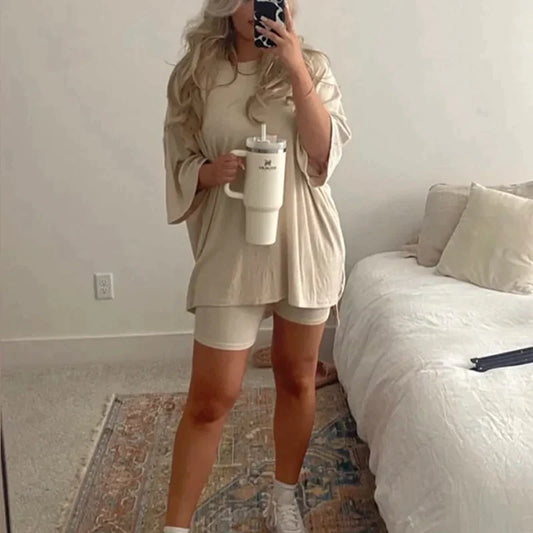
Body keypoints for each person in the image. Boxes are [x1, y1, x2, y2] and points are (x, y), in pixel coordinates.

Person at [162, 0, 351, 531]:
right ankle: (175, 527)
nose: (257, 5)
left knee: (297, 379)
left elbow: (323, 155)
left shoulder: (311, 65)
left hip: (304, 240)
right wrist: (207, 172)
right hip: (231, 245)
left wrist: (296, 70)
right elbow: (178, 157)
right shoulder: (197, 73)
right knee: (211, 397)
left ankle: (283, 499)